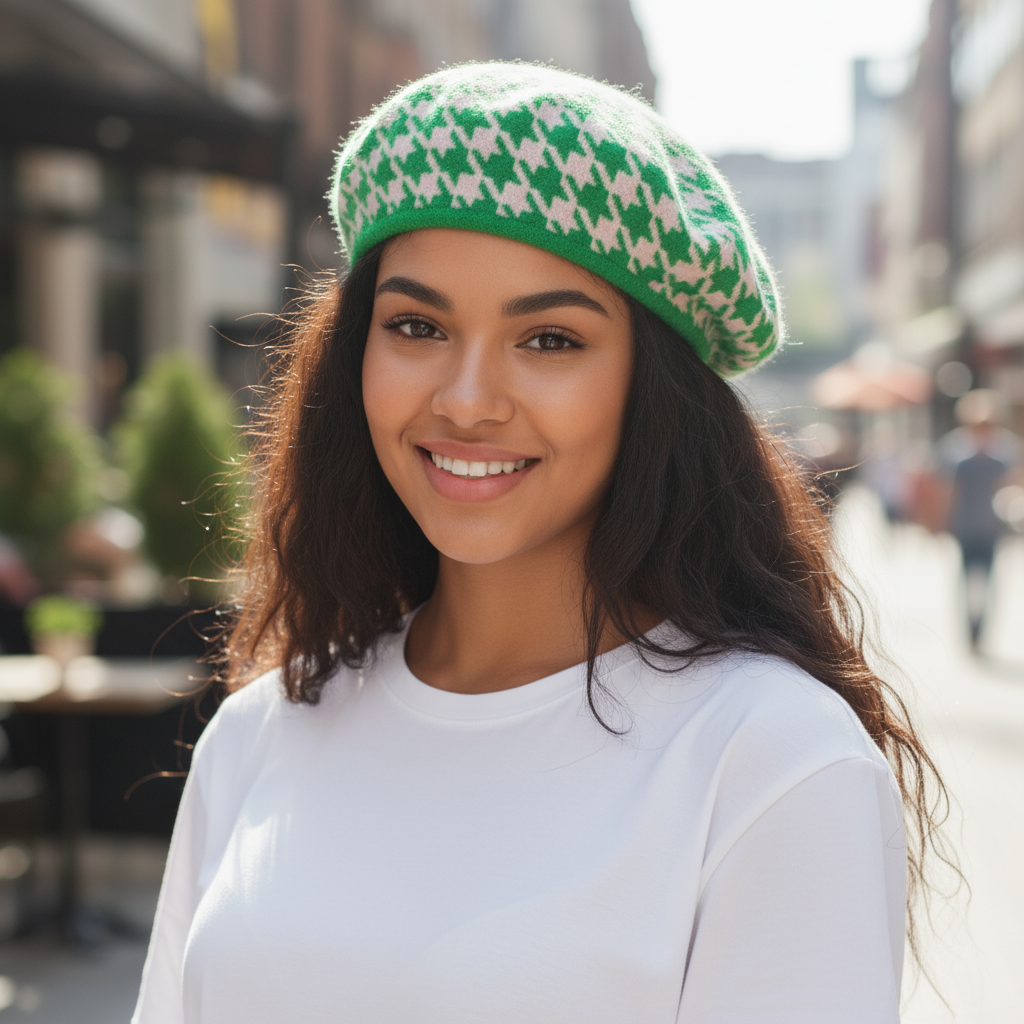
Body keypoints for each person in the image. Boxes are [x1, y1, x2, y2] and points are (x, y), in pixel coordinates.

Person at [133, 63, 946, 1023]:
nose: (466, 398)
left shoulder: (770, 760)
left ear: (654, 390)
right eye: (417, 325)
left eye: (550, 339)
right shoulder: (261, 733)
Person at [938, 388, 1020, 648]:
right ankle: (971, 626)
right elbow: (947, 492)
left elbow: (1012, 488)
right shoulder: (957, 454)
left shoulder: (1003, 454)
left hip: (991, 527)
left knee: (987, 578)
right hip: (965, 526)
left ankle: (980, 627)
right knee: (968, 577)